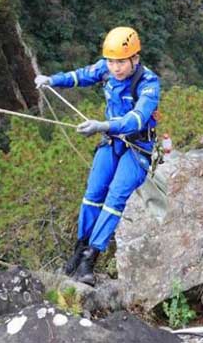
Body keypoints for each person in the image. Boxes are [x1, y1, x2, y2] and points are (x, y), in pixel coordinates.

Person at [34, 26, 160, 285]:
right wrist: (51, 80)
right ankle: (79, 251)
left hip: (137, 148)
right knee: (93, 194)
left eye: (121, 62)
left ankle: (91, 258)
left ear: (135, 59)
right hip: (112, 142)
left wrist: (103, 125)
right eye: (112, 61)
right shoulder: (105, 69)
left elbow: (137, 118)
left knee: (115, 196)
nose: (115, 68)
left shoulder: (148, 83)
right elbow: (81, 76)